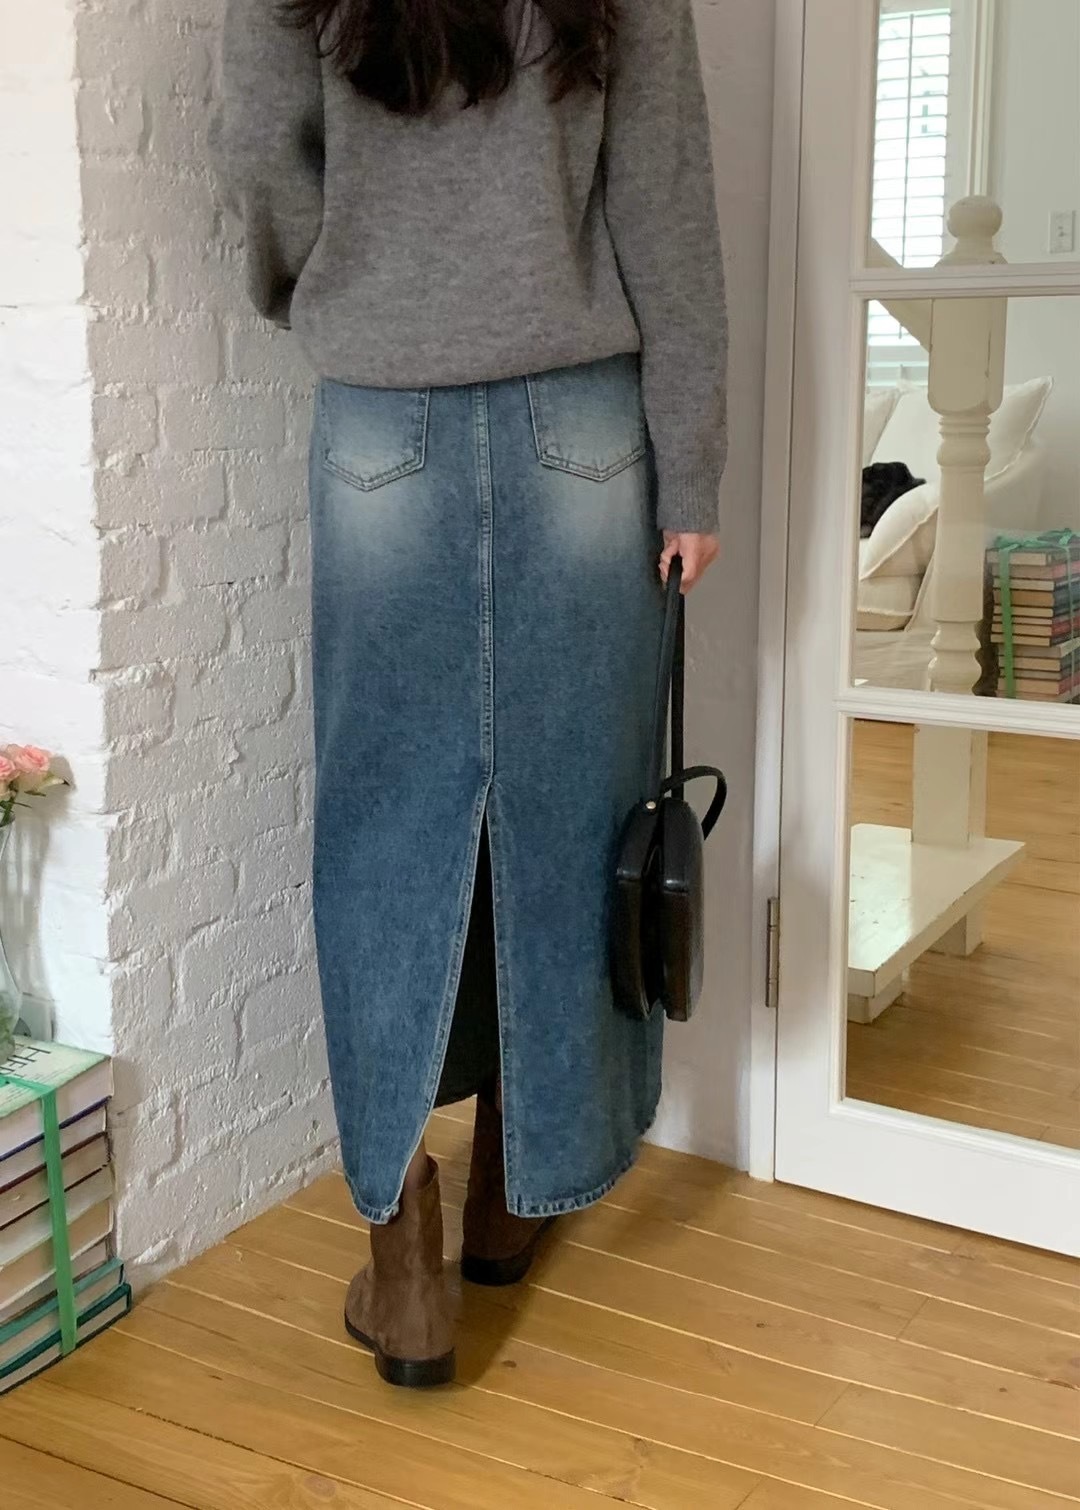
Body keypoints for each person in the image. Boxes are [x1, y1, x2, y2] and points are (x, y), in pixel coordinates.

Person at [212, 0, 727, 1390]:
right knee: (573, 823)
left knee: (384, 834)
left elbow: (259, 151)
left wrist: (337, 283)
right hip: (588, 432)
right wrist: (691, 472)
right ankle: (520, 1178)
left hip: (383, 417)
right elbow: (666, 198)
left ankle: (407, 1248)